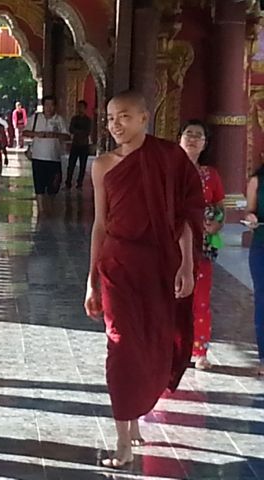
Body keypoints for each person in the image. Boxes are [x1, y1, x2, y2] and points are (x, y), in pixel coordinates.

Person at [84, 91, 204, 468]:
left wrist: (185, 265)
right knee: (121, 346)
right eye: (109, 118)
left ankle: (135, 415)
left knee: (153, 343)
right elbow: (100, 224)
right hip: (118, 263)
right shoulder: (102, 165)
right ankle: (123, 439)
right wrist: (91, 280)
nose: (115, 125)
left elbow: (186, 215)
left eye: (123, 117)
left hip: (158, 264)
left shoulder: (168, 158)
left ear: (143, 118)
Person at [179, 120, 224, 370]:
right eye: (188, 134)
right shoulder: (168, 170)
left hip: (203, 243)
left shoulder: (211, 175)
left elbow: (219, 205)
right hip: (172, 242)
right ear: (179, 138)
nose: (193, 139)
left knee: (201, 296)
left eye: (199, 136)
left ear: (205, 144)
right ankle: (175, 347)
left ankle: (200, 349)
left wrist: (217, 223)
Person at [23, 95, 70, 217]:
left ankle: (50, 207)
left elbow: (67, 136)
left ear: (55, 106)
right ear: (43, 106)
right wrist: (38, 134)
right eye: (46, 105)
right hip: (38, 157)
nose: (49, 108)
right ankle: (41, 210)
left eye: (51, 105)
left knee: (53, 185)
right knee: (39, 185)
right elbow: (25, 132)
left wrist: (55, 134)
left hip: (54, 157)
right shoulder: (35, 118)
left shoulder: (59, 120)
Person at [244, 161, 264, 376]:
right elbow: (250, 211)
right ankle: (263, 357)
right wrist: (251, 219)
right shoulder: (257, 181)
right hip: (262, 248)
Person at [65, 100, 92, 189]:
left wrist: (78, 131)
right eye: (79, 107)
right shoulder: (74, 119)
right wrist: (79, 131)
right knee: (71, 164)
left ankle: (79, 183)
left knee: (82, 165)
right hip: (75, 144)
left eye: (82, 107)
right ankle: (68, 182)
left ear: (85, 108)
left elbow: (87, 132)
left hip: (84, 145)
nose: (80, 109)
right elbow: (71, 129)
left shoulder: (88, 120)